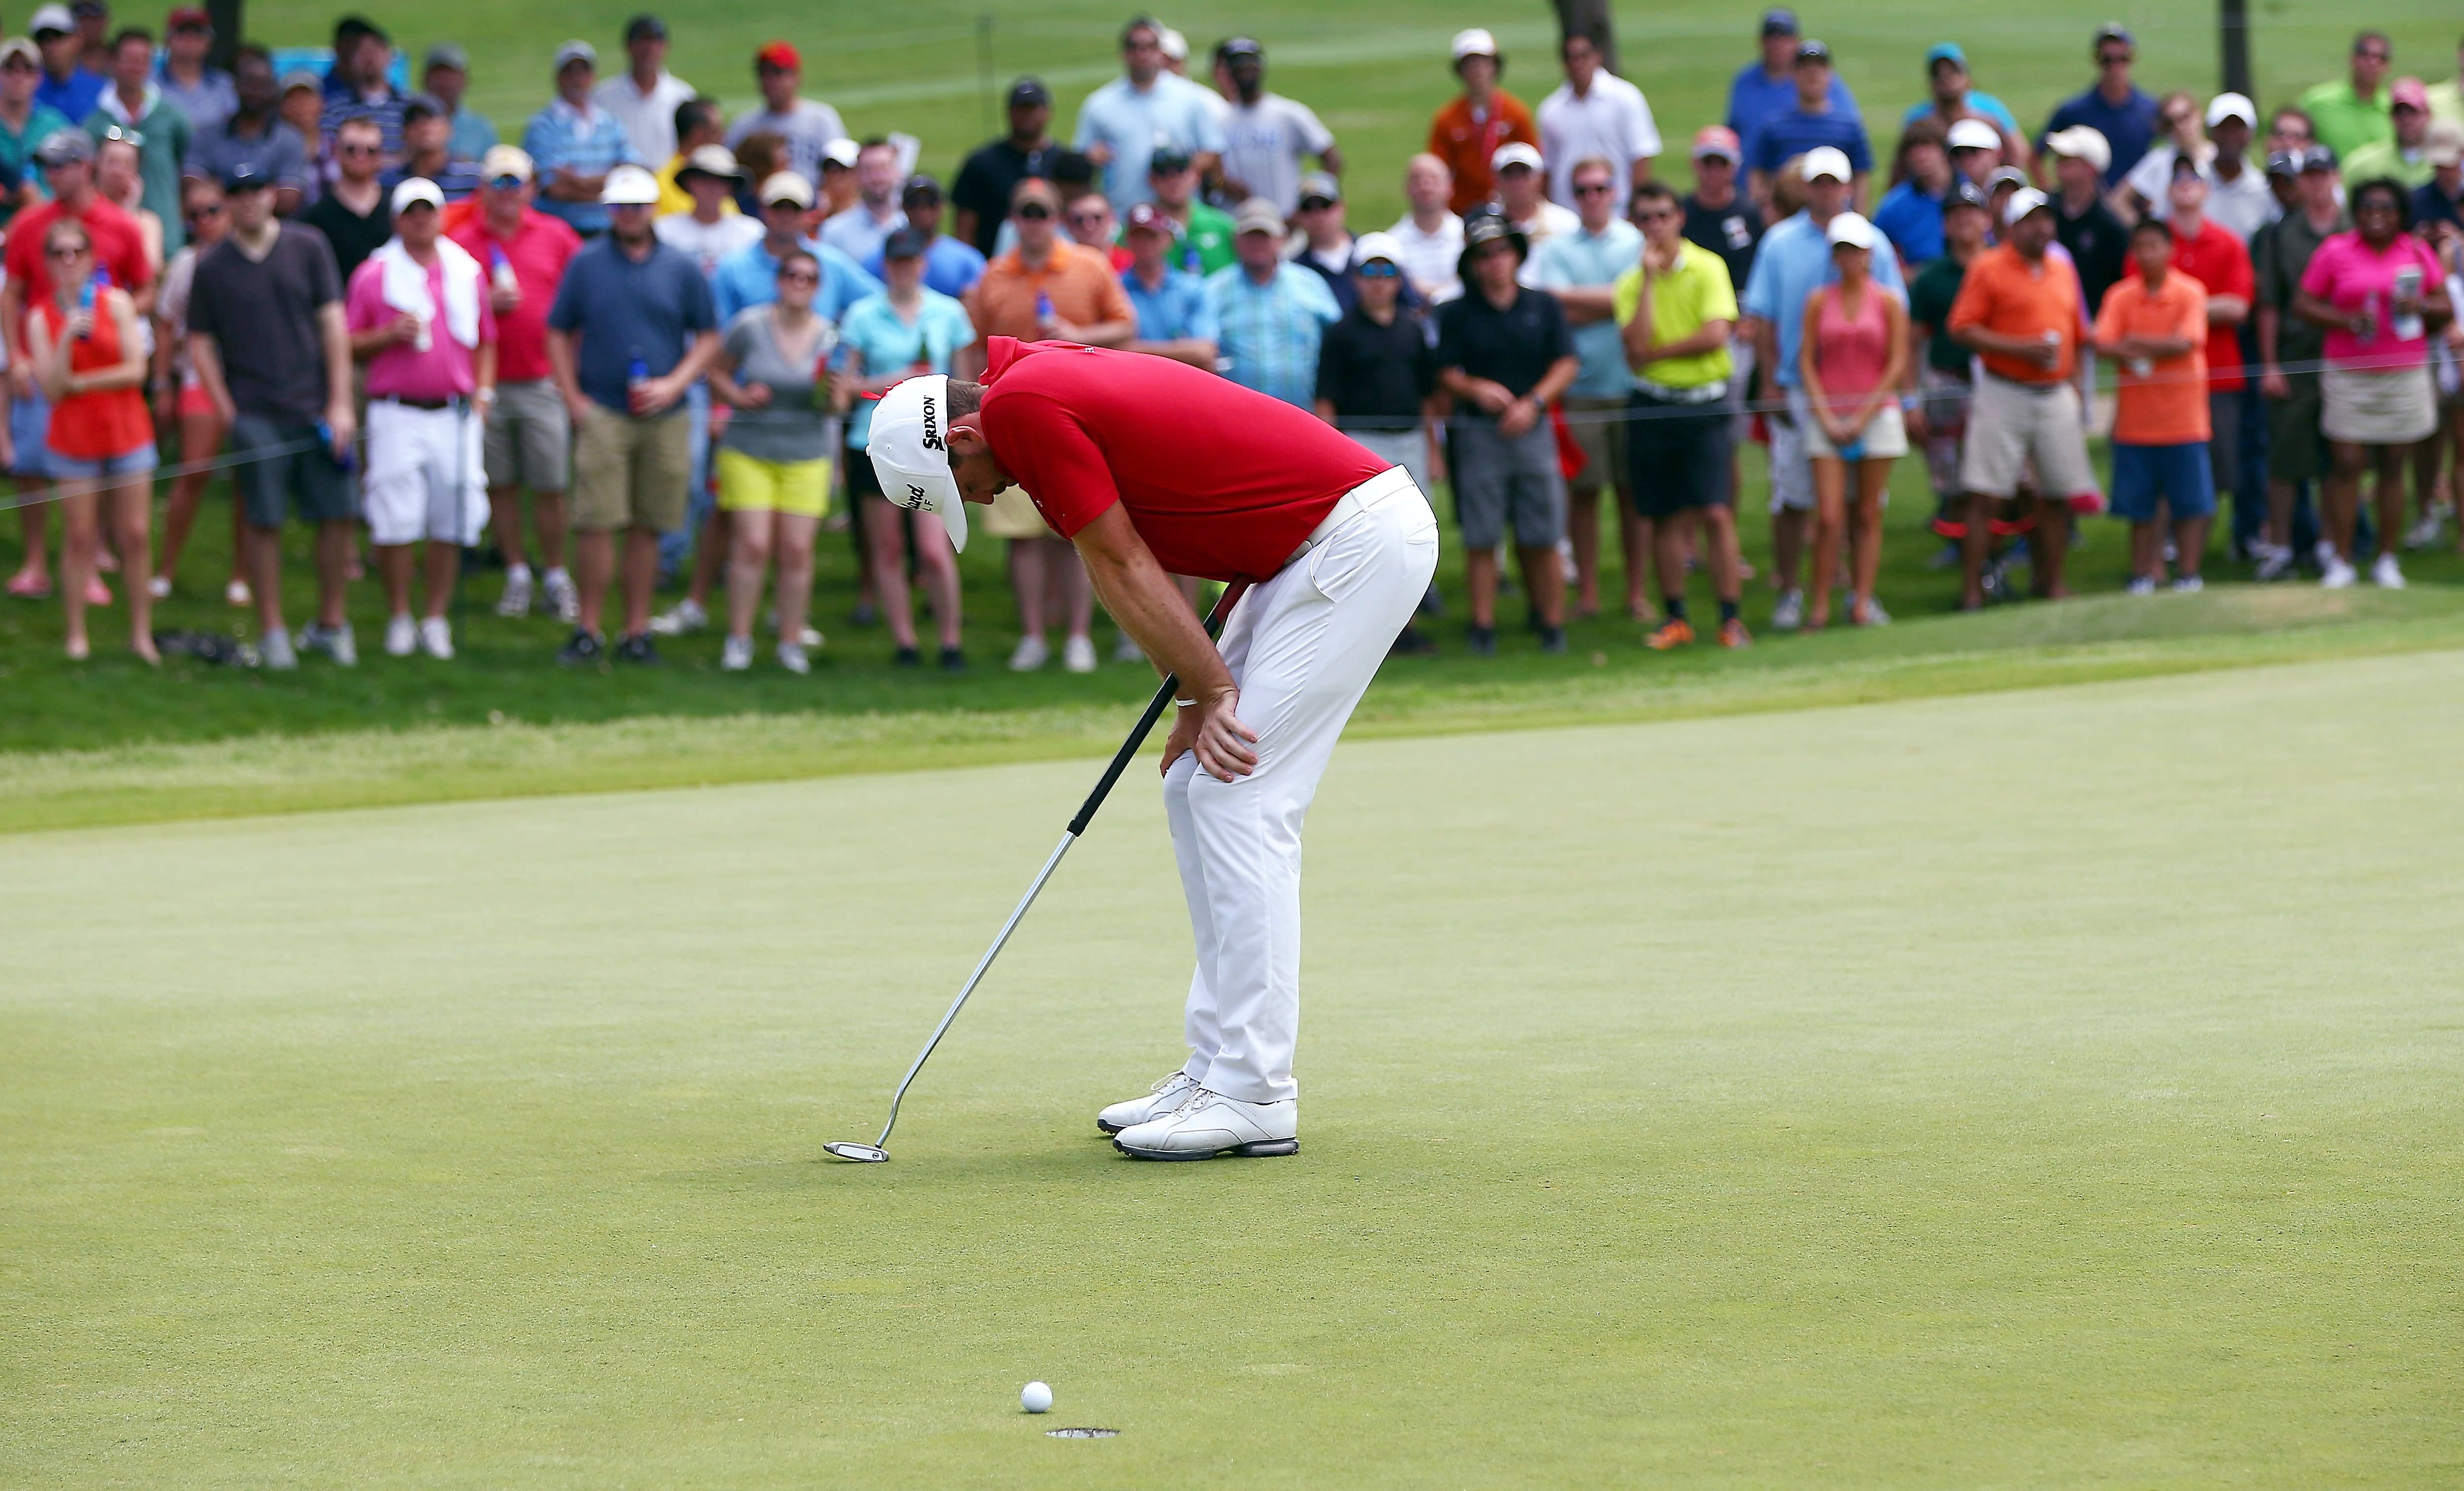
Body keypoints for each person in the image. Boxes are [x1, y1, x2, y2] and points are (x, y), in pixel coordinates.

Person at [865, 339, 1438, 1160]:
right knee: (1193, 783)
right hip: (1300, 552)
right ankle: (1214, 1067)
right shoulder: (1024, 398)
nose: (985, 503)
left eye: (963, 489)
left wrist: (1208, 691)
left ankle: (1255, 1088)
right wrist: (1189, 689)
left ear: (960, 435)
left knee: (1242, 792)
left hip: (1349, 539)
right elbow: (1122, 563)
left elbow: (1120, 558)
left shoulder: (1020, 408)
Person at [958, 174, 1135, 673]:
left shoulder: (1089, 265)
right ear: (1015, 221)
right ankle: (1034, 635)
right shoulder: (995, 274)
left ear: (1055, 219)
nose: (1034, 223)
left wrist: (1080, 333)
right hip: (1007, 421)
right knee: (1022, 535)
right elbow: (974, 346)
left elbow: (1125, 325)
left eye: (1042, 213)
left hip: (1075, 417)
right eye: (1025, 213)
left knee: (1078, 528)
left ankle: (1079, 635)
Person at [544, 163, 716, 664]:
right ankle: (589, 628)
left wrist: (674, 384)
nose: (629, 214)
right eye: (620, 207)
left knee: (649, 524)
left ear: (652, 209)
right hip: (603, 409)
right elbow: (557, 330)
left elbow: (708, 336)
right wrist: (572, 397)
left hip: (667, 414)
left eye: (638, 206)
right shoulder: (587, 262)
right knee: (597, 523)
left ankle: (636, 631)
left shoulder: (680, 266)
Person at [185, 162, 352, 668]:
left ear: (272, 194)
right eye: (236, 192)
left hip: (316, 407)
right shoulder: (212, 267)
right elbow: (200, 343)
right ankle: (273, 631)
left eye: (256, 189)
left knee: (337, 515)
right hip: (255, 411)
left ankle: (332, 624)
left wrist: (341, 401)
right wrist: (228, 409)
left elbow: (334, 327)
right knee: (262, 521)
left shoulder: (309, 247)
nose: (248, 200)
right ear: (228, 200)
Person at [1739, 147, 1906, 630]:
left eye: (1836, 182)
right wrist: (1769, 380)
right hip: (1798, 389)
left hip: (1866, 396)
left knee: (1859, 506)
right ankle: (1792, 591)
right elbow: (1765, 319)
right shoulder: (1780, 241)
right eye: (1820, 183)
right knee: (1794, 498)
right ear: (1807, 187)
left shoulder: (1872, 240)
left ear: (1849, 186)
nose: (1828, 191)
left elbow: (1896, 328)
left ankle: (1858, 595)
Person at [346, 177, 496, 660]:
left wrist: (484, 395)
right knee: (395, 518)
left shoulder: (466, 272)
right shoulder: (374, 274)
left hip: (454, 413)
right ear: (398, 219)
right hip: (397, 411)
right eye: (411, 212)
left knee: (450, 517)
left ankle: (434, 617)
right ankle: (398, 615)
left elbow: (487, 338)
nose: (420, 219)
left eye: (428, 211)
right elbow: (348, 342)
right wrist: (388, 335)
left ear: (439, 216)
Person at [1, 127, 149, 604]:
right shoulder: (29, 224)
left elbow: (147, 285)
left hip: (100, 364)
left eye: (60, 166)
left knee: (98, 467)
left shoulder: (119, 224)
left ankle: (88, 562)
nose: (51, 175)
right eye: (46, 166)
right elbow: (13, 294)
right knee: (31, 464)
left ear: (86, 167)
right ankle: (37, 560)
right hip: (44, 359)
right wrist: (18, 357)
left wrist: (120, 314)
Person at [2296, 176, 2451, 588]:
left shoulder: (2415, 251)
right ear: (2355, 212)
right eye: (2367, 208)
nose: (2376, 216)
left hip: (2403, 373)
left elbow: (2444, 305)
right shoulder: (2336, 250)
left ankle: (2386, 559)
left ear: (2400, 214)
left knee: (2392, 465)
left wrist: (2419, 305)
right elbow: (2304, 302)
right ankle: (2342, 560)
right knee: (2346, 463)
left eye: (2386, 208)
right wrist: (2344, 320)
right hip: (2349, 373)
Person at [1948, 188, 2101, 600]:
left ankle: (2049, 583)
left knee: (2055, 493)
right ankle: (1971, 592)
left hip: (2054, 393)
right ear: (2012, 227)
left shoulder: (2060, 268)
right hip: (2004, 390)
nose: (2041, 228)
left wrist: (2076, 389)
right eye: (2031, 221)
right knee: (1986, 493)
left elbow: (2077, 332)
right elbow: (1962, 327)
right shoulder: (1989, 267)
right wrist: (2018, 348)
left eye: (2046, 220)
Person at [451, 146, 583, 621]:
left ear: (531, 188)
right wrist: (485, 301)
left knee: (550, 484)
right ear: (484, 190)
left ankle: (554, 574)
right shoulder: (462, 241)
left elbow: (581, 305)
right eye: (498, 184)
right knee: (500, 484)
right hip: (484, 387)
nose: (508, 193)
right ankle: (516, 573)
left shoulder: (556, 236)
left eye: (516, 183)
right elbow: (446, 310)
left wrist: (574, 375)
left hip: (542, 382)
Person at [835, 226, 975, 670]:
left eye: (911, 261)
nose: (904, 270)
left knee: (934, 547)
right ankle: (906, 642)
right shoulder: (863, 314)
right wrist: (895, 379)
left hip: (930, 437)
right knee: (888, 546)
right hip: (872, 438)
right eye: (897, 262)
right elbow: (845, 389)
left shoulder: (946, 311)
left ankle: (951, 639)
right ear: (887, 266)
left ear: (922, 264)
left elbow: (966, 384)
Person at [1437, 210, 1577, 654]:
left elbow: (1566, 362)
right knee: (1482, 535)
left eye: (1501, 251)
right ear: (1473, 263)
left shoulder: (1543, 305)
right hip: (1480, 433)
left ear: (1515, 255)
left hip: (1533, 429)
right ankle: (1482, 627)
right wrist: (1474, 387)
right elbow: (1444, 372)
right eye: (1484, 255)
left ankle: (1551, 623)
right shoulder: (1456, 313)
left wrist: (1534, 402)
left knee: (1542, 533)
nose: (1494, 261)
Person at [1618, 178, 1744, 647]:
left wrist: (1656, 354)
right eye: (1645, 218)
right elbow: (1634, 344)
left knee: (1715, 512)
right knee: (1664, 514)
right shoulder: (1631, 283)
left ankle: (1730, 618)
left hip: (1705, 404)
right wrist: (1650, 280)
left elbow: (1715, 335)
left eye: (1663, 216)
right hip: (1652, 406)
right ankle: (1677, 618)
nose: (1655, 226)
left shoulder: (1708, 267)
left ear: (1679, 218)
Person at [28, 216, 154, 660]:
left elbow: (136, 370)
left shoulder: (116, 303)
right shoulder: (41, 320)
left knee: (135, 534)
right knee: (79, 537)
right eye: (58, 253)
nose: (68, 261)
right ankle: (76, 633)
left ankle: (141, 633)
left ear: (90, 259)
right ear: (47, 262)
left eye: (76, 252)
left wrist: (82, 383)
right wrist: (65, 340)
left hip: (126, 430)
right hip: (73, 440)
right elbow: (51, 387)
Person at [702, 247, 831, 673]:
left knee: (797, 549)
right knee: (753, 543)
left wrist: (836, 394)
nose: (799, 283)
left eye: (809, 278)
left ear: (817, 287)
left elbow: (841, 394)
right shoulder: (750, 326)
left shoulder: (830, 337)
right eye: (792, 275)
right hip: (749, 447)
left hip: (806, 451)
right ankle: (739, 638)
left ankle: (790, 640)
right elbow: (717, 370)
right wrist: (738, 396)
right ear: (779, 281)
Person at [1531, 153, 1646, 619]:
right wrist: (1620, 298)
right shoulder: (1558, 248)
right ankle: (1589, 594)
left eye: (1600, 188)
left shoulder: (1635, 240)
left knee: (1632, 495)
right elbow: (1556, 307)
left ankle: (1637, 593)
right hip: (1581, 387)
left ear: (1614, 192)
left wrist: (1601, 302)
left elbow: (1641, 304)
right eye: (1583, 190)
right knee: (1584, 494)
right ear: (1571, 196)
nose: (1592, 198)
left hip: (1633, 384)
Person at [1796, 211, 1907, 628]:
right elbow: (1807, 360)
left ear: (1868, 254)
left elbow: (1895, 363)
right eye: (1841, 250)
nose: (1848, 258)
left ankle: (1861, 601)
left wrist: (1861, 415)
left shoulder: (1889, 301)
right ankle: (1821, 606)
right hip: (1827, 415)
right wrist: (1825, 413)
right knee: (1827, 517)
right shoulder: (1818, 301)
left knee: (1866, 513)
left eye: (1855, 250)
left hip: (1875, 415)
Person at [2096, 217, 2215, 592]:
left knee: (2190, 505)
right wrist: (2145, 345)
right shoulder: (2119, 296)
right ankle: (2142, 574)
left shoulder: (2190, 292)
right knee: (2139, 508)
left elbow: (2185, 342)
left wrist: (2132, 343)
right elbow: (2101, 343)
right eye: (2140, 247)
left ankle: (2189, 574)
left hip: (2184, 419)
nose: (2146, 254)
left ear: (2169, 250)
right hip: (2136, 423)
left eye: (2154, 246)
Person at [2252, 145, 2349, 580]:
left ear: (2334, 177)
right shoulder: (2280, 234)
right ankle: (2280, 547)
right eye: (2308, 176)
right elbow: (2269, 303)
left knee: (2340, 457)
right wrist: (2270, 364)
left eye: (2322, 174)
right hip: (2296, 355)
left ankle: (2332, 544)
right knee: (2286, 457)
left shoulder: (2353, 227)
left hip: (2347, 354)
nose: (2315, 183)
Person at [148, 173, 240, 603]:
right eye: (195, 215)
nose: (204, 220)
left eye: (213, 211)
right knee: (194, 471)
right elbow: (166, 326)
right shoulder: (186, 264)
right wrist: (162, 383)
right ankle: (165, 568)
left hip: (245, 378)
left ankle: (242, 574)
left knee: (248, 479)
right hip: (197, 377)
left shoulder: (248, 258)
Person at [1907, 182, 1994, 608]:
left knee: (1995, 480)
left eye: (1972, 212)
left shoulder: (2000, 266)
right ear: (1945, 224)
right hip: (1946, 380)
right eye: (1956, 214)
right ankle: (1967, 569)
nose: (1965, 220)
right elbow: (1913, 342)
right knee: (1955, 483)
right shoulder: (1932, 278)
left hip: (1996, 382)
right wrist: (1911, 400)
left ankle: (1992, 567)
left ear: (1987, 219)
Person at [2159, 160, 2254, 547]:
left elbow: (2237, 308)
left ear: (2206, 190)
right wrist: (2203, 309)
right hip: (2164, 375)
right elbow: (2137, 304)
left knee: (2217, 466)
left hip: (2219, 372)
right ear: (2168, 191)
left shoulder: (2227, 242)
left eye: (2193, 178)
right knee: (2165, 460)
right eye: (2177, 178)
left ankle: (2192, 546)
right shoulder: (2153, 241)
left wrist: (2177, 309)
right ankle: (2165, 541)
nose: (2185, 185)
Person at [1314, 230, 1439, 502]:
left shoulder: (1414, 329)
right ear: (1356, 279)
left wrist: (1433, 450)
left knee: (1417, 521)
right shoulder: (1341, 333)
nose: (1379, 281)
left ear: (1399, 279)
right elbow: (1326, 399)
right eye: (1370, 271)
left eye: (1388, 272)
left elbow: (1427, 394)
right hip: (1362, 442)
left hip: (1412, 439)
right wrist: (1333, 455)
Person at [1073, 17, 1222, 209]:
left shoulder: (1190, 98)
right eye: (1135, 48)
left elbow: (1212, 151)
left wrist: (1176, 170)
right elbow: (1082, 157)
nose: (1143, 55)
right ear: (1124, 54)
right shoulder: (1100, 105)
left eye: (1150, 47)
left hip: (1180, 213)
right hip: (1125, 212)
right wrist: (1092, 156)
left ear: (1161, 53)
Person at [1207, 197, 1339, 409]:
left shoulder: (1309, 284)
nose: (1257, 244)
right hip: (1234, 415)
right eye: (1250, 237)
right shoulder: (1214, 290)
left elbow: (1337, 343)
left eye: (1265, 237)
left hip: (1303, 416)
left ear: (1282, 239)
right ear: (1236, 239)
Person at [81, 27, 185, 250]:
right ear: (113, 62)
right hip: (108, 245)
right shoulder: (94, 125)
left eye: (143, 60)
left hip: (165, 242)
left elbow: (188, 163)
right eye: (129, 59)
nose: (136, 67)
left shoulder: (172, 118)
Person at [1213, 37, 1337, 214]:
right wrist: (1223, 184)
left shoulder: (1288, 114)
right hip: (1237, 225)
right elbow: (1211, 173)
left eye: (1250, 64)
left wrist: (1310, 206)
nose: (1245, 70)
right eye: (1238, 65)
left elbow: (1332, 158)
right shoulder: (1220, 119)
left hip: (1285, 221)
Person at [1725, 7, 1856, 177]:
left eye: (1784, 37)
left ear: (1796, 41)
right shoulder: (1744, 82)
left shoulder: (1821, 84)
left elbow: (1847, 132)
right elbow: (1733, 133)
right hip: (1759, 181)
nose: (1777, 45)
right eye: (1771, 37)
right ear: (1761, 41)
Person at [523, 41, 634, 239]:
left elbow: (630, 173)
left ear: (593, 77)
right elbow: (556, 189)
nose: (577, 79)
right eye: (570, 73)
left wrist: (578, 181)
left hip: (608, 230)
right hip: (561, 231)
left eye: (583, 72)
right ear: (559, 78)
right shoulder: (543, 126)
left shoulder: (610, 123)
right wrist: (609, 184)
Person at [1536, 30, 1657, 209]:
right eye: (1571, 58)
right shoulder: (1551, 110)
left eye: (1583, 56)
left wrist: (1635, 208)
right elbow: (1548, 168)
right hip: (1568, 213)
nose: (1578, 64)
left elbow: (1641, 156)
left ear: (1597, 57)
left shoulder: (1625, 97)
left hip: (1618, 211)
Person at [184, 45, 306, 215]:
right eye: (249, 84)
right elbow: (193, 186)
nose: (255, 92)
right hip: (218, 232)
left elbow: (289, 199)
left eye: (262, 85)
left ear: (273, 88)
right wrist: (261, 195)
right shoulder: (207, 135)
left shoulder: (290, 139)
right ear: (236, 85)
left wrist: (223, 191)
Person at [1428, 27, 1535, 217]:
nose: (1477, 70)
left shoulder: (1516, 113)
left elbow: (1533, 164)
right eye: (1470, 64)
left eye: (1483, 63)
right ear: (1460, 71)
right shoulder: (1447, 118)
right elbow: (1437, 170)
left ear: (1495, 66)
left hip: (1510, 209)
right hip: (1462, 211)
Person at [1750, 39, 1871, 207]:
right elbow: (1758, 177)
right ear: (1793, 74)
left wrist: (1858, 223)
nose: (1812, 74)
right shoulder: (1773, 126)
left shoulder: (1850, 127)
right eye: (1806, 68)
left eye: (1819, 68)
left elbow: (1861, 181)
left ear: (1830, 74)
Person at [2036, 24, 2155, 190]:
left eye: (2122, 58)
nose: (2115, 67)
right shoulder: (2074, 111)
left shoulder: (2150, 110)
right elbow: (2036, 156)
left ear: (2132, 59)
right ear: (2097, 61)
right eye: (2107, 60)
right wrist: (2052, 198)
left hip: (2134, 211)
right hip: (2090, 210)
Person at [953, 77, 1058, 257]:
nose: (1027, 116)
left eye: (1032, 109)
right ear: (1009, 112)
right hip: (993, 266)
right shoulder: (981, 163)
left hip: (1054, 267)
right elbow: (965, 225)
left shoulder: (1063, 162)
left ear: (1047, 112)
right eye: (1021, 110)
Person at [723, 41, 846, 187]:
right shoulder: (743, 125)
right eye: (764, 74)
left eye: (778, 73)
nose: (771, 81)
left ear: (797, 76)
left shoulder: (822, 119)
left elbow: (842, 168)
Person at [1119, 201, 1216, 367]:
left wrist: (1135, 349)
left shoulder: (1193, 288)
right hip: (1131, 382)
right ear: (1128, 240)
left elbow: (1204, 352)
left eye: (1152, 236)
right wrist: (1182, 349)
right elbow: (1109, 349)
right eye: (1138, 236)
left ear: (1168, 240)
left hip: (1182, 384)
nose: (1145, 243)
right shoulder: (1115, 287)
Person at [2046, 126, 2126, 313]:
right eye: (2059, 159)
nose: (2058, 164)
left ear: (2090, 169)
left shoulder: (2110, 227)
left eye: (2067, 160)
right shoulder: (2044, 211)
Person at [595, 14, 692, 168]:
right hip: (620, 185)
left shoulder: (683, 97)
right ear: (628, 47)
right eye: (642, 41)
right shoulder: (602, 97)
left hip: (670, 186)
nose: (649, 49)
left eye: (655, 42)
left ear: (666, 47)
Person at [301, 114, 389, 281]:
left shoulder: (397, 211)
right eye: (351, 149)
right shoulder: (316, 217)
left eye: (370, 151)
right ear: (336, 152)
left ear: (380, 156)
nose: (361, 156)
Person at [866, 176, 984, 298]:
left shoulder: (967, 260)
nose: (923, 210)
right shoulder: (884, 258)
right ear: (904, 208)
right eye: (914, 204)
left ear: (942, 207)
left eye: (930, 203)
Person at [654, 144, 758, 277]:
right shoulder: (663, 231)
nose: (712, 186)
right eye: (704, 177)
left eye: (722, 179)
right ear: (689, 182)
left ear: (731, 187)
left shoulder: (752, 233)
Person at [2184, 94, 2277, 240]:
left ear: (2250, 135)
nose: (2230, 136)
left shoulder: (2263, 191)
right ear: (2211, 133)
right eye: (2224, 128)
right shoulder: (2191, 185)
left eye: (2238, 129)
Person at [319, 16, 405, 169]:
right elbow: (330, 154)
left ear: (389, 56)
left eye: (375, 51)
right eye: (362, 52)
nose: (369, 59)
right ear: (350, 60)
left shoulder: (409, 106)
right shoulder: (335, 108)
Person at [0, 37, 71, 221]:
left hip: (45, 228)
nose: (18, 77)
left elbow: (72, 179)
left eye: (27, 69)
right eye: (10, 69)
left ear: (39, 77)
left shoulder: (55, 126)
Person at [2300, 31, 2395, 165]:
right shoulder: (2318, 103)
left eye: (2381, 58)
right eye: (2365, 55)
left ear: (2388, 66)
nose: (2373, 63)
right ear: (2353, 59)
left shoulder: (2395, 108)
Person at [2117, 90, 2209, 221]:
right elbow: (2119, 200)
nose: (2180, 127)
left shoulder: (2219, 157)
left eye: (2186, 117)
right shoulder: (2160, 159)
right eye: (2171, 123)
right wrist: (2144, 232)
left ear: (2199, 115)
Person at [1873, 119, 1952, 266]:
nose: (1921, 156)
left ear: (1944, 151)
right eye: (1913, 150)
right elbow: (1874, 250)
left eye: (1928, 147)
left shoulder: (1970, 194)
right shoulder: (1894, 206)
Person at [1388, 152, 1464, 304]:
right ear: (1406, 189)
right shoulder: (1393, 243)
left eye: (1434, 180)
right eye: (1417, 180)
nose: (1426, 187)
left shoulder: (1466, 234)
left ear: (1450, 188)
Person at [1903, 41, 2020, 139]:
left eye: (1954, 71)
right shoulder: (1918, 119)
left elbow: (2018, 152)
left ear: (1968, 79)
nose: (1946, 78)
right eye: (1938, 73)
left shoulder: (1990, 110)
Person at [1145, 147, 1232, 276]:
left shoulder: (1224, 226)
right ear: (1152, 180)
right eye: (1163, 173)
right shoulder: (1139, 229)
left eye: (1181, 171)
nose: (1173, 180)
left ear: (1197, 176)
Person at [820, 136, 903, 263]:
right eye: (868, 170)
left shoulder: (911, 225)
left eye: (883, 168)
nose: (877, 177)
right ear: (857, 176)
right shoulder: (833, 232)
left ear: (897, 172)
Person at [2343, 79, 2436, 189]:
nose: (2406, 120)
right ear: (2391, 117)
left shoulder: (2445, 163)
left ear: (2428, 115)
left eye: (2413, 113)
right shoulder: (2363, 165)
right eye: (2399, 113)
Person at [385, 95, 480, 202]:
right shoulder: (389, 183)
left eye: (431, 118)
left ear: (448, 129)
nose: (423, 127)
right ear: (404, 133)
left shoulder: (473, 180)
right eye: (414, 120)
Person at [153, 6, 230, 136]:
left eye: (198, 32)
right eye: (182, 31)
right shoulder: (149, 84)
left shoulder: (225, 85)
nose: (190, 38)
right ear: (168, 39)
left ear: (209, 41)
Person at [93, 124, 159, 270]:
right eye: (112, 162)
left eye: (127, 164)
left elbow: (150, 268)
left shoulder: (148, 223)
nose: (118, 171)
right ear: (98, 165)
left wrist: (130, 211)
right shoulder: (83, 213)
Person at [422, 43, 495, 166]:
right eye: (438, 75)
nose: (444, 82)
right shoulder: (411, 125)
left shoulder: (481, 129)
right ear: (425, 79)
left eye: (451, 75)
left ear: (466, 80)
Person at [31, 4, 105, 126]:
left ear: (78, 39)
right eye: (43, 39)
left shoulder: (101, 91)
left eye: (59, 37)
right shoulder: (26, 90)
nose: (51, 46)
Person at [652, 96, 726, 217]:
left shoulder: (661, 181)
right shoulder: (663, 186)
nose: (723, 138)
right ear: (698, 134)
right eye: (717, 131)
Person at [1490, 142, 1576, 246]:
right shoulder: (1486, 224)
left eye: (1524, 173)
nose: (1517, 181)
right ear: (1497, 181)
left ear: (1540, 178)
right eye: (1508, 174)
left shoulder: (1565, 224)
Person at [1062, 190, 1131, 272]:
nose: (1089, 226)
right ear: (1067, 223)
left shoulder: (1130, 263)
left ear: (1111, 218)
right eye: (1079, 220)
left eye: (1097, 218)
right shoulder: (1060, 266)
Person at [1947, 116, 2003, 189]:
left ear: (1997, 154)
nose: (1966, 160)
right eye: (1957, 153)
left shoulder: (2014, 188)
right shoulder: (1948, 194)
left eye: (1974, 151)